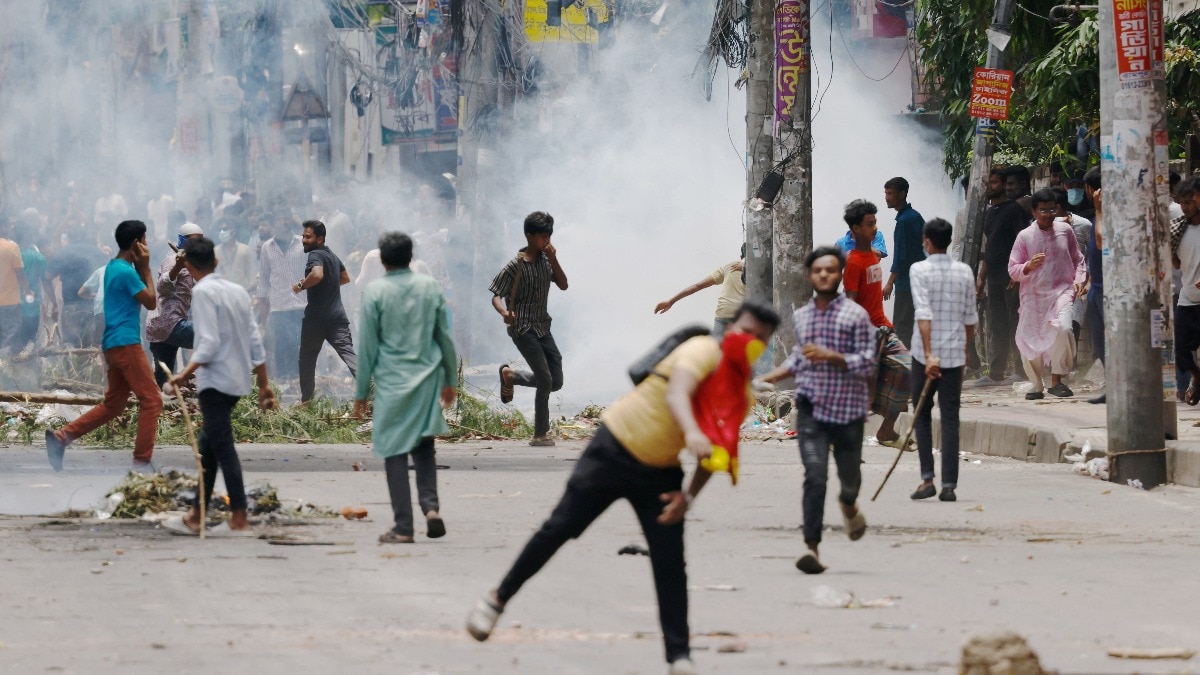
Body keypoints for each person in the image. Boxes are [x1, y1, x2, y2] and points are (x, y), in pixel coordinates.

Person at [466, 302, 780, 675]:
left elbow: (719, 452)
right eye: (746, 331)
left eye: (760, 339)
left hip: (661, 473)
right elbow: (678, 393)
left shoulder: (740, 394)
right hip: (613, 448)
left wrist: (689, 497)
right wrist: (693, 431)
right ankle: (496, 600)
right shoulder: (700, 350)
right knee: (560, 527)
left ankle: (679, 657)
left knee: (669, 561)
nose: (750, 341)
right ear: (729, 329)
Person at [761, 247, 874, 575]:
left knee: (848, 480)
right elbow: (800, 356)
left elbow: (868, 361)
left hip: (849, 411)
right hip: (811, 409)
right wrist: (772, 375)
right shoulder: (802, 316)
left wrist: (835, 357)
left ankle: (849, 505)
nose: (824, 275)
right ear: (810, 276)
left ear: (839, 275)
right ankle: (812, 548)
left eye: (830, 270)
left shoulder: (855, 316)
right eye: (818, 271)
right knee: (815, 477)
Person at [162, 237, 276, 536]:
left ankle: (239, 518)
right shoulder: (237, 291)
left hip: (215, 383)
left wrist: (181, 376)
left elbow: (208, 343)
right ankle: (196, 515)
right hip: (237, 381)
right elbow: (255, 340)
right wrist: (264, 385)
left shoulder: (202, 292)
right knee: (208, 448)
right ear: (216, 261)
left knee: (222, 449)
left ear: (187, 266)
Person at [353, 232, 457, 544]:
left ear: (382, 260)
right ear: (411, 257)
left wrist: (360, 393)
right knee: (424, 447)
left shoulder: (375, 292)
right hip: (427, 381)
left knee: (394, 451)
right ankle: (431, 508)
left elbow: (368, 347)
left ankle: (403, 526)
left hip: (392, 383)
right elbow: (445, 339)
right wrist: (450, 380)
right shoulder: (430, 287)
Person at [45, 221, 162, 472]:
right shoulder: (127, 272)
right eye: (146, 240)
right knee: (152, 400)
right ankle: (142, 462)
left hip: (112, 344)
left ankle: (61, 438)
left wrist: (140, 266)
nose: (148, 246)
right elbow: (151, 302)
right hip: (126, 343)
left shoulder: (112, 267)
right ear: (137, 243)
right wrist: (147, 267)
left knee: (114, 405)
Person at [908, 218, 977, 502]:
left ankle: (927, 479)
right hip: (954, 355)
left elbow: (923, 313)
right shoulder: (964, 271)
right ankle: (948, 484)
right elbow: (970, 317)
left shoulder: (918, 270)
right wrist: (965, 350)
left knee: (922, 416)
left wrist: (927, 355)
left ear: (926, 241)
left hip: (924, 355)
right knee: (950, 418)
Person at [490, 211, 569, 446]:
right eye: (542, 237)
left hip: (543, 325)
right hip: (522, 327)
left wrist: (554, 258)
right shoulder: (516, 265)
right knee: (545, 379)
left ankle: (511, 376)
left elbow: (563, 285)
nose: (546, 241)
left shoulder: (547, 260)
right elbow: (496, 295)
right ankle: (540, 433)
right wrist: (504, 312)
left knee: (556, 381)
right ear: (529, 236)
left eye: (549, 237)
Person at [1007, 189, 1086, 400]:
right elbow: (1013, 269)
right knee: (1028, 338)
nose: (1048, 214)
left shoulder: (1065, 231)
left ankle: (1057, 380)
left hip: (1062, 292)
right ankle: (1036, 384)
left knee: (1064, 329)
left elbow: (1078, 258)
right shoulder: (1024, 236)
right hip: (1033, 297)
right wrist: (1028, 265)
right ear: (1034, 211)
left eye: (1052, 209)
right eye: (1043, 210)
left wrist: (1079, 281)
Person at [841, 200, 906, 446]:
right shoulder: (854, 261)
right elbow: (851, 302)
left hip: (883, 327)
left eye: (875, 223)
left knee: (905, 369)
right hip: (866, 332)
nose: (875, 228)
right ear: (856, 229)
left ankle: (887, 430)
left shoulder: (873, 257)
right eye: (869, 224)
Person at [973, 167, 1028, 386]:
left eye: (993, 182)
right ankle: (997, 372)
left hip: (1011, 277)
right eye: (988, 182)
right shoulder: (989, 212)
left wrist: (1019, 272)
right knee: (997, 324)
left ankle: (1022, 370)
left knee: (1015, 322)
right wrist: (981, 277)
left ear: (1003, 184)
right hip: (993, 277)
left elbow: (1022, 242)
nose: (989, 187)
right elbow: (990, 247)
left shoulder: (1013, 210)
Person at [295, 220, 357, 403]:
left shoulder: (315, 255)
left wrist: (300, 285)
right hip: (337, 317)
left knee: (307, 360)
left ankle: (307, 402)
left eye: (308, 237)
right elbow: (345, 278)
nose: (304, 240)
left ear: (320, 239)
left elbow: (317, 275)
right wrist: (327, 286)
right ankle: (373, 390)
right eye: (303, 236)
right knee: (348, 354)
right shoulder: (332, 255)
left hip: (316, 319)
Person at [147, 221, 205, 387]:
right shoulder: (173, 260)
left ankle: (159, 407)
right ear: (183, 241)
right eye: (194, 240)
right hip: (169, 323)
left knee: (163, 380)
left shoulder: (192, 263)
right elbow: (162, 287)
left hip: (160, 327)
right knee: (213, 336)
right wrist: (178, 266)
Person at [257, 210, 307, 381]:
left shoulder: (303, 243)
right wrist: (263, 307)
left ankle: (296, 375)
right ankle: (280, 376)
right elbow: (263, 279)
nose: (283, 222)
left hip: (301, 302)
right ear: (274, 223)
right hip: (278, 304)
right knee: (280, 341)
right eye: (280, 219)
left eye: (287, 219)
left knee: (297, 340)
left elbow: (312, 272)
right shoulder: (267, 247)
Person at [654, 246, 745, 339]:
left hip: (723, 314)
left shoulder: (730, 266)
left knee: (715, 349)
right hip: (743, 317)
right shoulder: (756, 270)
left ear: (741, 256)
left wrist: (671, 301)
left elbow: (698, 286)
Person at [881, 176, 926, 349]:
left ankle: (905, 371)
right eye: (885, 193)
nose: (886, 197)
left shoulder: (905, 221)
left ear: (902, 194)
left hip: (907, 283)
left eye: (890, 193)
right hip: (918, 281)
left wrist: (889, 283)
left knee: (902, 328)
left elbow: (901, 256)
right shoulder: (913, 217)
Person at [47, 225, 105, 348]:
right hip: (95, 306)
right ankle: (94, 366)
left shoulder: (64, 252)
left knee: (73, 346)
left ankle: (74, 367)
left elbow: (47, 276)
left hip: (72, 306)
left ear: (69, 238)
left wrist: (54, 303)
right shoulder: (97, 252)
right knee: (95, 346)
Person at [1171, 178, 1200, 404]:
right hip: (1188, 298)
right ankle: (1196, 377)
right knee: (1181, 351)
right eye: (1182, 202)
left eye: (1190, 202)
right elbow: (1178, 263)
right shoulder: (1178, 228)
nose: (1186, 207)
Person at [1082, 168, 1107, 404]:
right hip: (1096, 286)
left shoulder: (1104, 215)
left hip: (1107, 289)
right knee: (1099, 340)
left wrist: (1099, 209)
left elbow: (1100, 243)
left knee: (1108, 339)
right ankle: (1112, 386)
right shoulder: (1096, 217)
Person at [0, 218, 34, 353]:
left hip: (10, 303)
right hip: (10, 303)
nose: (10, 229)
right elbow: (20, 273)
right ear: (3, 227)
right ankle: (5, 370)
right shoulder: (11, 247)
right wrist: (27, 291)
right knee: (10, 339)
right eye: (9, 226)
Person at [215, 218, 257, 292]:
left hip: (243, 291)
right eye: (220, 230)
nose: (221, 232)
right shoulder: (215, 251)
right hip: (222, 295)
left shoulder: (244, 249)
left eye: (225, 229)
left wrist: (245, 292)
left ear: (233, 231)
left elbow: (252, 275)